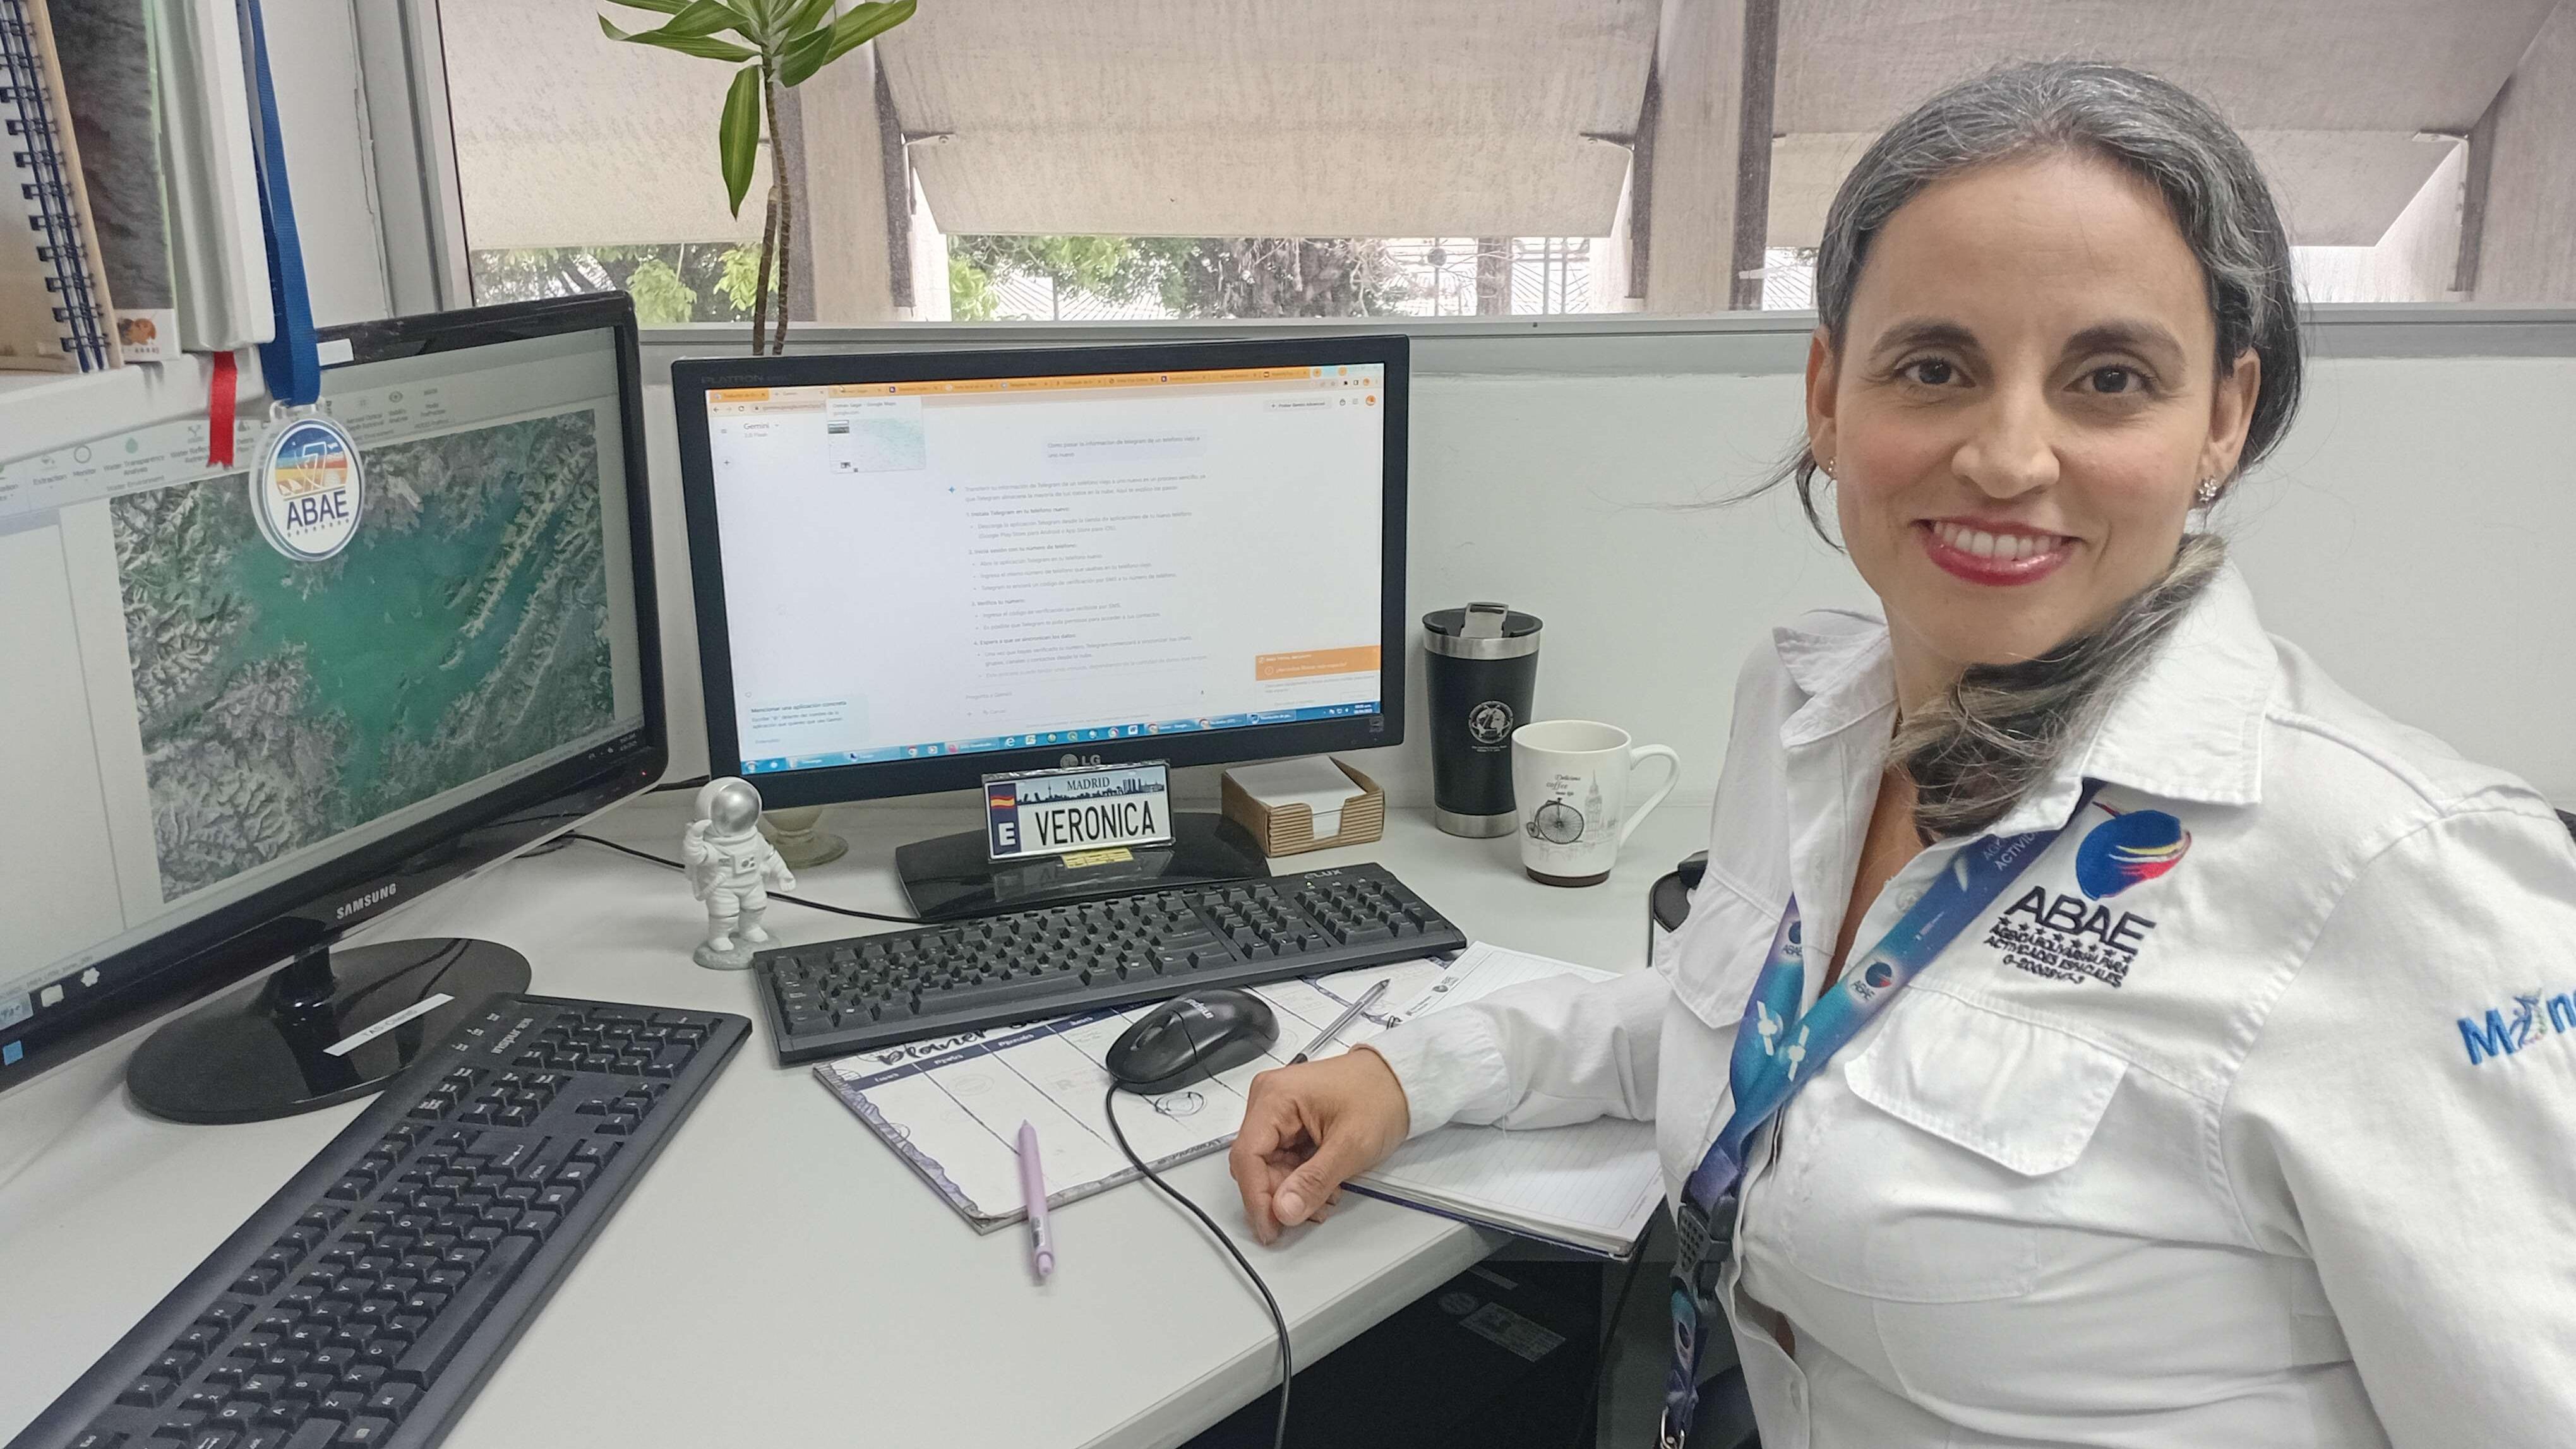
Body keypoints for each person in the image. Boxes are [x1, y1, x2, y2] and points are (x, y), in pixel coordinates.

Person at [1228, 60, 2576, 1449]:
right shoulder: (1808, 705)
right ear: (1828, 394)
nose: (2006, 455)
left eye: (2109, 378)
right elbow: (1757, 1024)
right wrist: (1417, 1074)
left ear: (2222, 416)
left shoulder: (2393, 880)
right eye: (1935, 366)